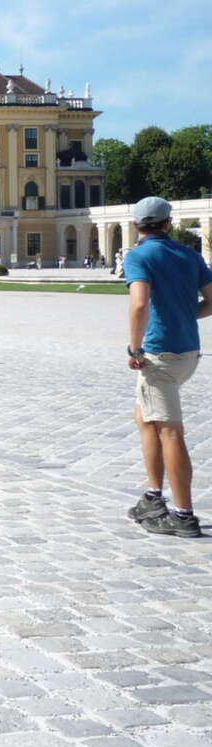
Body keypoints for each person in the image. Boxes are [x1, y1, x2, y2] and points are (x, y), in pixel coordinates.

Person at [123, 196, 212, 539]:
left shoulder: (139, 256)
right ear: (168, 223)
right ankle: (153, 496)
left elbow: (139, 303)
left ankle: (184, 515)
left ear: (136, 225)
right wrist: (186, 315)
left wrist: (135, 348)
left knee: (170, 431)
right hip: (189, 352)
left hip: (159, 354)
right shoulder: (189, 254)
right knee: (144, 417)